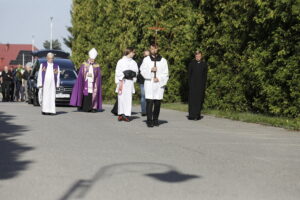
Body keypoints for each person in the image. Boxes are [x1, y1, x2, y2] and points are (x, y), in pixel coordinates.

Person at [140, 44, 169, 127]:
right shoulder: (146, 60)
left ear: (157, 49)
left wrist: (159, 78)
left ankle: (155, 119)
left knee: (157, 103)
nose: (152, 50)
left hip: (159, 85)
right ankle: (149, 120)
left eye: (154, 49)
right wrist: (150, 70)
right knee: (149, 102)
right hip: (149, 83)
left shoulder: (163, 60)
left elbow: (166, 73)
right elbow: (142, 70)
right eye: (151, 49)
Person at [70, 48, 102, 112]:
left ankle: (93, 107)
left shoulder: (97, 65)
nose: (92, 60)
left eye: (94, 59)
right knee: (86, 94)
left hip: (93, 82)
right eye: (91, 59)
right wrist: (86, 75)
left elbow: (98, 76)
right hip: (85, 82)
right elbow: (81, 75)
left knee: (93, 94)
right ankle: (85, 107)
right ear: (89, 58)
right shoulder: (84, 64)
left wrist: (95, 79)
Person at [115, 47, 138, 122]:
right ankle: (121, 114)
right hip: (123, 82)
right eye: (133, 52)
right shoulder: (121, 61)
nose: (134, 54)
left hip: (130, 82)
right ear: (129, 52)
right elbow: (118, 71)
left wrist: (132, 74)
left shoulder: (134, 62)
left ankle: (126, 114)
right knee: (121, 98)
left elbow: (136, 72)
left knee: (128, 99)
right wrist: (124, 75)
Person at [188, 50, 208, 120]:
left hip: (200, 85)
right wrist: (190, 84)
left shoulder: (204, 64)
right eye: (196, 55)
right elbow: (189, 75)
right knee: (192, 100)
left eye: (199, 55)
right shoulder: (191, 64)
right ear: (195, 56)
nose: (198, 57)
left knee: (199, 100)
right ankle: (191, 115)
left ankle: (197, 115)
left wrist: (204, 85)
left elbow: (205, 76)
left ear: (201, 56)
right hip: (193, 85)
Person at [137, 50, 150, 116]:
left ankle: (147, 110)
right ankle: (144, 111)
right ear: (144, 55)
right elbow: (139, 71)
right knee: (143, 96)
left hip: (149, 81)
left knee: (148, 96)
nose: (147, 56)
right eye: (146, 55)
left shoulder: (150, 61)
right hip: (143, 81)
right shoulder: (141, 61)